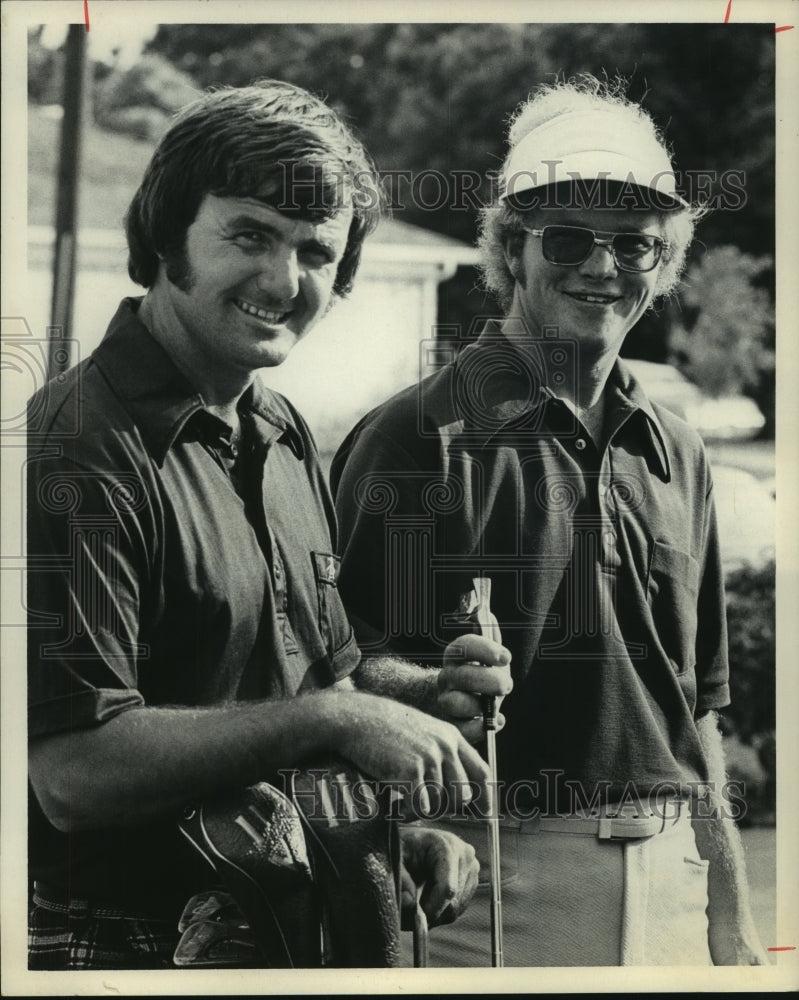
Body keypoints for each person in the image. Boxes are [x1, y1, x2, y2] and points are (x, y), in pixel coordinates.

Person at [26, 81, 507, 971]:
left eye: (316, 252)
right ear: (166, 235)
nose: (285, 281)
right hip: (124, 948)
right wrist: (336, 716)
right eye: (249, 234)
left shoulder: (281, 431)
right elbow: (72, 773)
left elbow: (314, 678)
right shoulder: (79, 448)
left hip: (297, 925)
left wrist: (416, 707)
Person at [331, 76, 768, 967]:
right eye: (567, 238)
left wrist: (731, 912)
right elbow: (340, 670)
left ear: (665, 262)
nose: (601, 267)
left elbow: (697, 706)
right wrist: (426, 683)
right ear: (511, 248)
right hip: (488, 883)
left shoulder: (674, 450)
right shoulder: (424, 438)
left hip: (677, 879)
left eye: (635, 246)